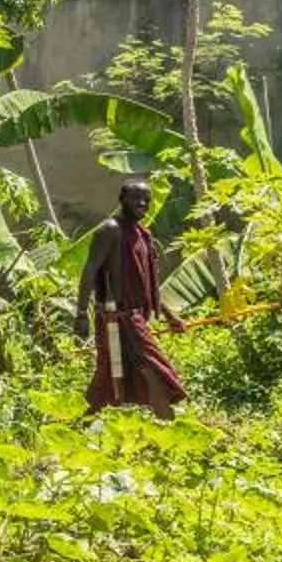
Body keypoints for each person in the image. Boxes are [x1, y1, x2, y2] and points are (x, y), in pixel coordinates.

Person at [81, 177, 188, 418]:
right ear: (122, 200)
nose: (142, 204)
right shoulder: (110, 230)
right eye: (136, 199)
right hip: (113, 318)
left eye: (147, 200)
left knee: (132, 371)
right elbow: (89, 269)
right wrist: (80, 315)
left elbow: (145, 284)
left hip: (133, 317)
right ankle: (165, 418)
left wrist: (170, 316)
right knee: (142, 368)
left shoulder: (142, 235)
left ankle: (96, 419)